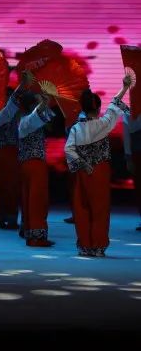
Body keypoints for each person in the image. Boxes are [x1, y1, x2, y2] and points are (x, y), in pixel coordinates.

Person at [64, 76, 132, 257]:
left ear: (83, 108)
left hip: (83, 172)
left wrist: (83, 163)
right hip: (100, 171)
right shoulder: (104, 124)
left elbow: (68, 149)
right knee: (100, 208)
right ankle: (98, 246)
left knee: (82, 207)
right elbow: (114, 105)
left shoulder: (76, 129)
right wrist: (124, 87)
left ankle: (85, 246)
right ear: (98, 108)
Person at [0, 76, 30, 230]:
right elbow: (11, 106)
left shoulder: (15, 117)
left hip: (12, 152)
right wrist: (23, 84)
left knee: (9, 185)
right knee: (8, 185)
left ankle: (1, 215)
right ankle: (7, 216)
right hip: (5, 153)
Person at [17, 91, 56, 247]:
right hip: (35, 164)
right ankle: (36, 236)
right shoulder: (27, 121)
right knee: (37, 199)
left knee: (29, 198)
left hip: (27, 164)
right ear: (32, 105)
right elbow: (37, 115)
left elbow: (49, 123)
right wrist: (43, 102)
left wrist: (45, 103)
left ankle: (29, 230)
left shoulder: (26, 121)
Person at [122, 110, 141, 232]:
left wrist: (128, 156)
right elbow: (126, 135)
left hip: (136, 153)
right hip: (136, 152)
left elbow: (126, 134)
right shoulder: (128, 111)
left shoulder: (128, 111)